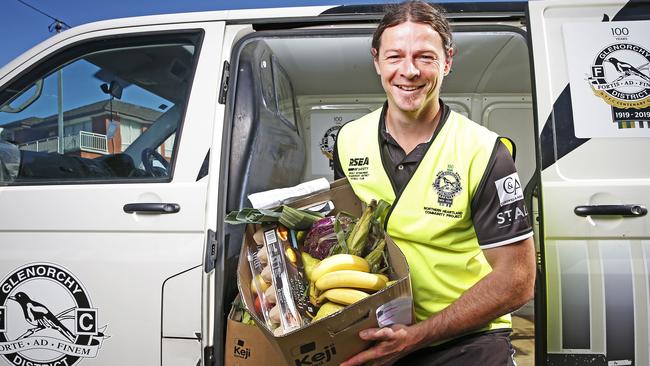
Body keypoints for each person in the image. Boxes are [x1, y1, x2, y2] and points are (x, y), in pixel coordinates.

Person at [332, 1, 536, 365]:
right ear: (376, 60)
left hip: (467, 338)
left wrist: (417, 337)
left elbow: (517, 280)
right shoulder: (348, 140)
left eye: (425, 57)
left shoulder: (483, 151)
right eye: (395, 56)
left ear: (447, 61)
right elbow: (350, 241)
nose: (408, 71)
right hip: (379, 334)